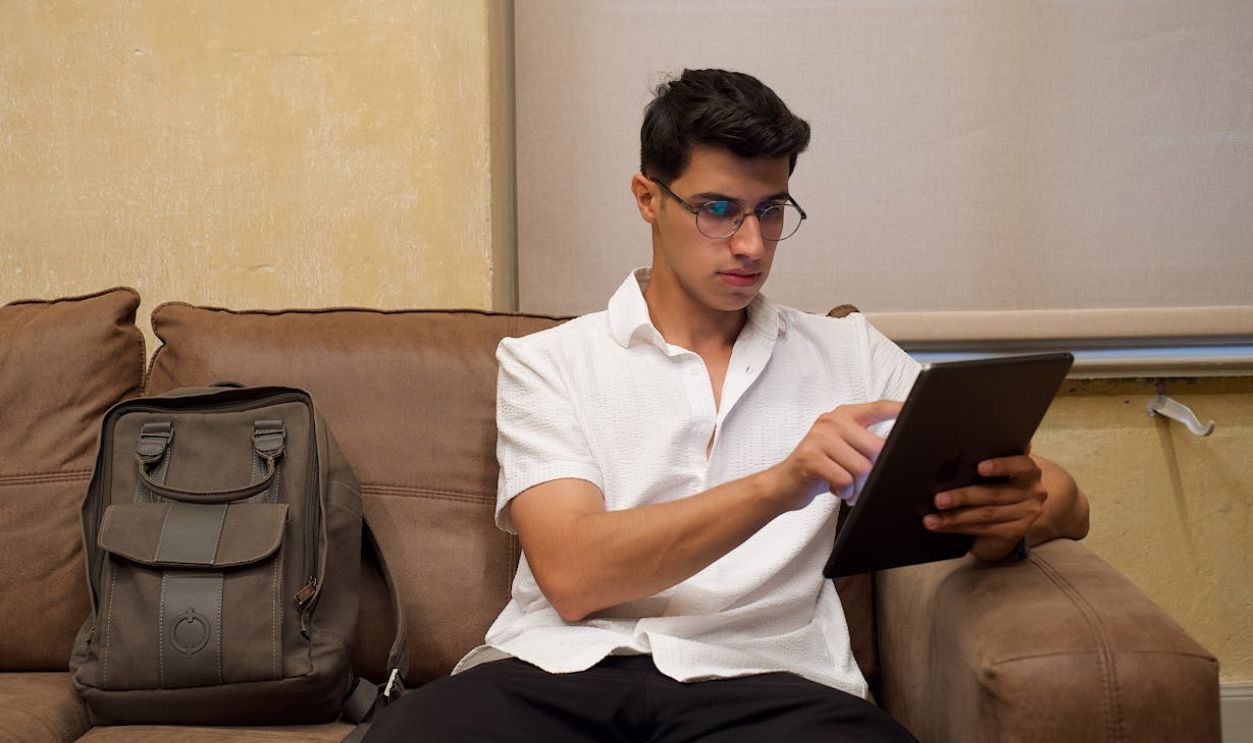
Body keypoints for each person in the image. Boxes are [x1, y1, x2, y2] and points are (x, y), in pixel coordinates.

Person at [365, 68, 1090, 742]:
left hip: (769, 685)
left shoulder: (848, 354)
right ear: (648, 198)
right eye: (718, 210)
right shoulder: (550, 362)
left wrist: (1014, 514)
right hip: (558, 672)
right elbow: (575, 575)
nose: (750, 244)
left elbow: (1062, 499)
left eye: (770, 211)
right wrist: (784, 481)